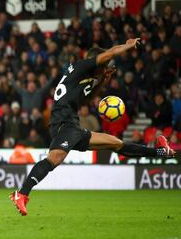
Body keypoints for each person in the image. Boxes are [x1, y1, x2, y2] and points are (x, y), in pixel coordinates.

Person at [10, 38, 177, 216]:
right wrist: (127, 45)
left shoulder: (85, 78)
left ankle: (160, 151)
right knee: (54, 158)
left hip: (72, 125)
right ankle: (22, 193)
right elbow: (111, 52)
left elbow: (86, 100)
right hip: (64, 123)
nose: (105, 68)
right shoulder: (82, 65)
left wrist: (102, 81)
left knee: (115, 143)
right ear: (97, 61)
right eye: (104, 65)